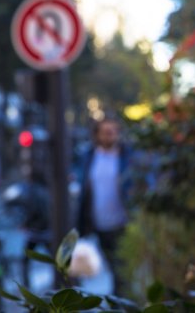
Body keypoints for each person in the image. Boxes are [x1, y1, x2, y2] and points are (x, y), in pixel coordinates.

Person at [76, 117, 131, 295]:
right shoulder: (88, 157)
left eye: (114, 131)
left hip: (124, 223)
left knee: (122, 270)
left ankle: (121, 300)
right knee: (112, 267)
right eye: (106, 132)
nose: (110, 136)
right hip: (99, 224)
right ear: (97, 135)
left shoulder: (127, 156)